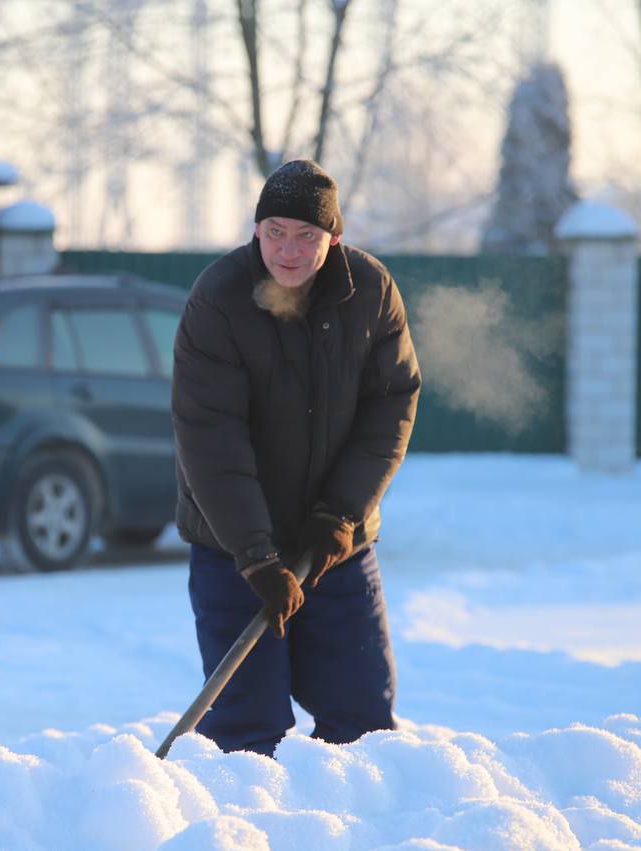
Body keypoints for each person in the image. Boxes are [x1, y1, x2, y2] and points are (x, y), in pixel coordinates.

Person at [171, 158, 421, 757]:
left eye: (306, 235)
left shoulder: (371, 291)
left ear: (334, 238)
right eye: (275, 231)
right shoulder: (219, 299)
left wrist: (342, 514)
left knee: (362, 723)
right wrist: (257, 557)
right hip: (234, 550)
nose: (288, 249)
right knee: (245, 732)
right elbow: (211, 436)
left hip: (334, 543)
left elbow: (390, 406)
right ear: (256, 230)